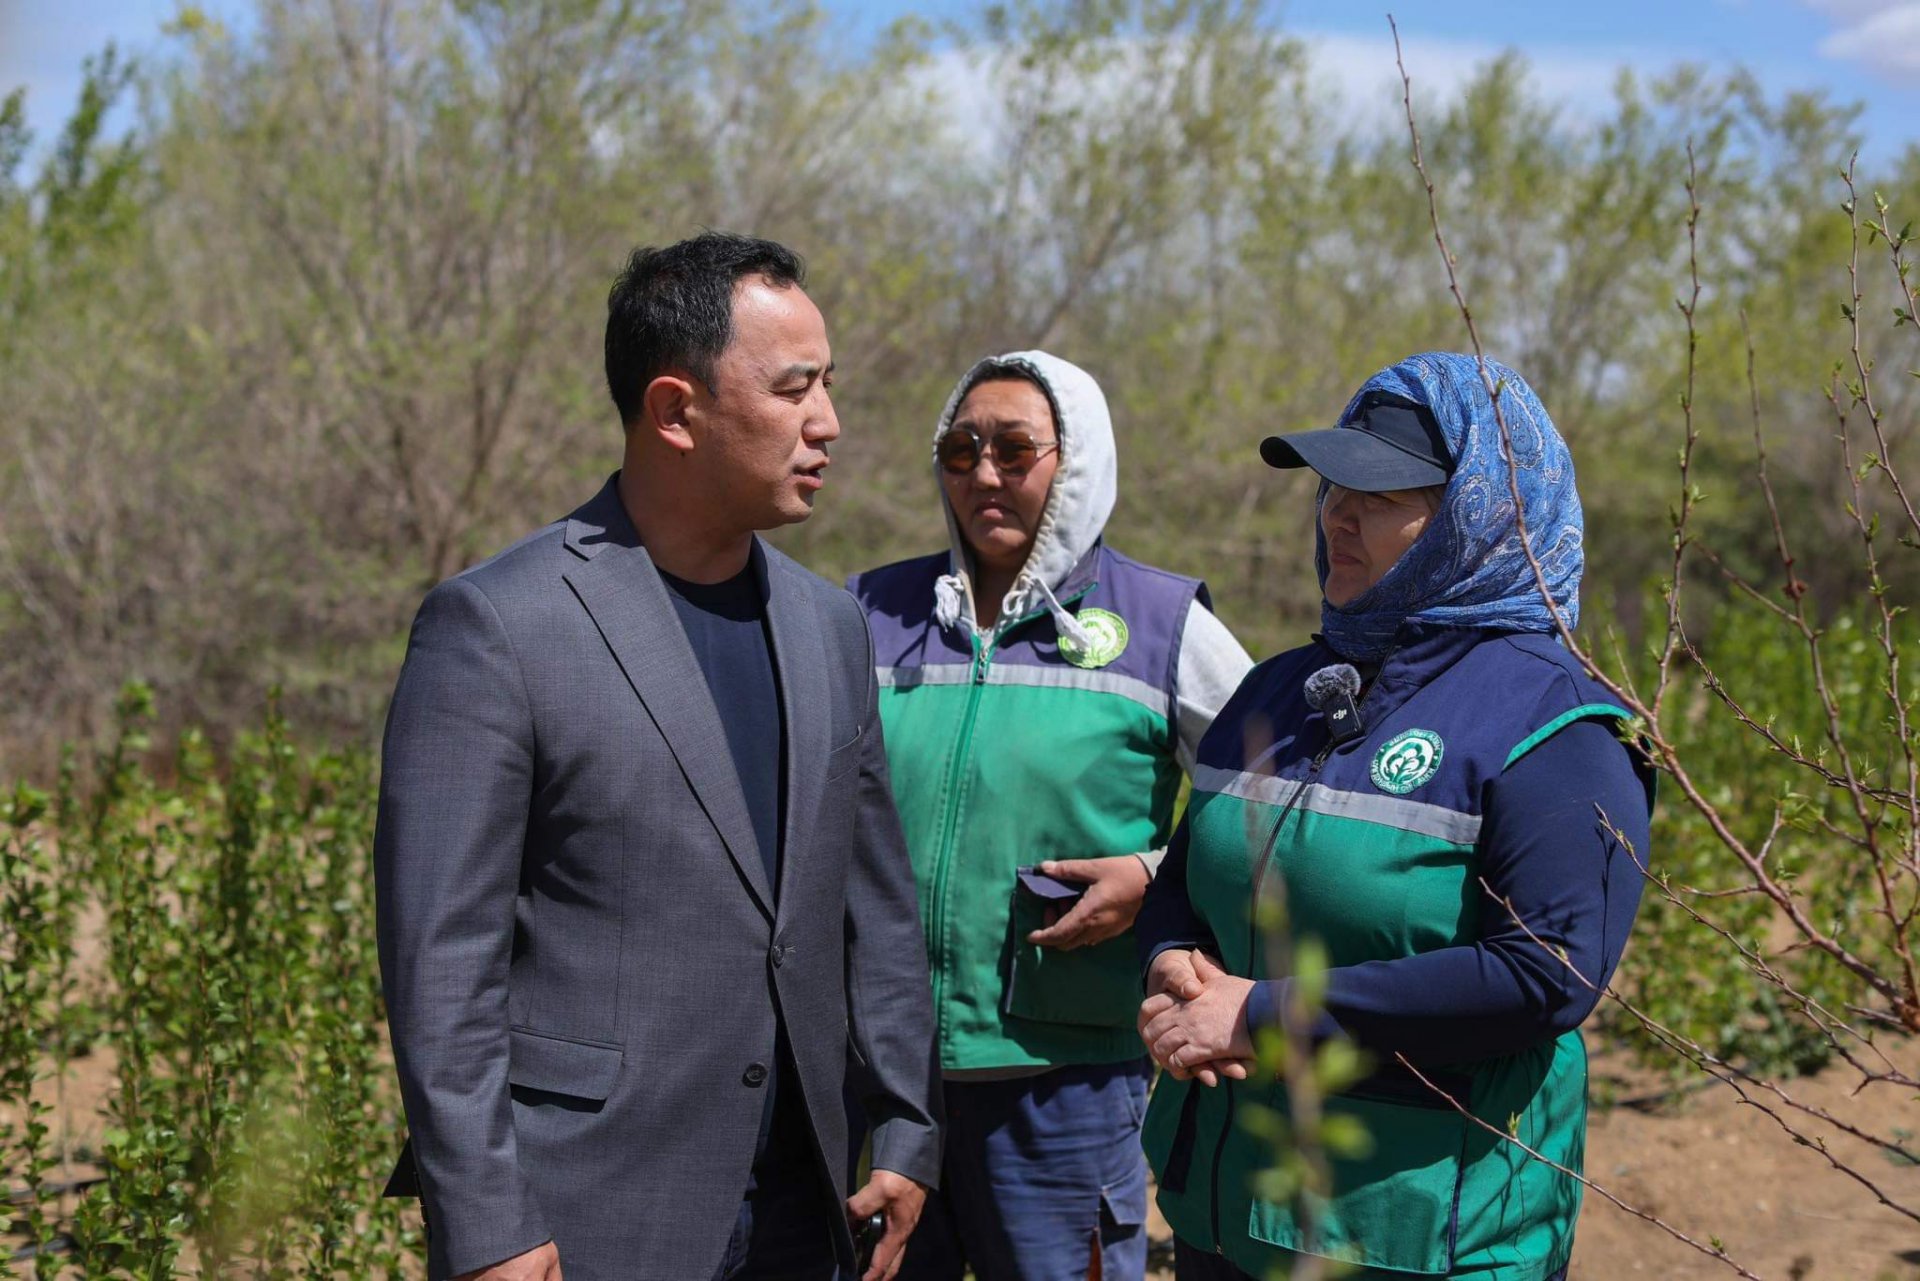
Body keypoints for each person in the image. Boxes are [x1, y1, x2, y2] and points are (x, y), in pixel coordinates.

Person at [373, 232, 942, 1281]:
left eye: (829, 386)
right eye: (795, 388)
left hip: (806, 1207)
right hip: (586, 1211)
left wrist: (907, 1128)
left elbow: (877, 909)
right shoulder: (499, 626)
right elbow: (439, 967)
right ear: (677, 410)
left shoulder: (828, 628)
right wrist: (489, 1222)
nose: (830, 422)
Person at [1135, 352, 1653, 1281]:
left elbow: (1548, 973)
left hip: (1416, 1235)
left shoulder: (1553, 720)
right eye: (1333, 486)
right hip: (1224, 1213)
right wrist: (1167, 956)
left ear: (1473, 515)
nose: (1337, 512)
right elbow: (1185, 877)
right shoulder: (1277, 690)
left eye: (1380, 494)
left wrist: (1262, 1012)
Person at [848, 351, 1252, 1279]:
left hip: (1065, 1082)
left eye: (1015, 448)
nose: (984, 472)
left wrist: (1154, 877)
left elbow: (1275, 809)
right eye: (961, 447)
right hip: (879, 1077)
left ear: (1074, 466)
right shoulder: (867, 613)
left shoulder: (1164, 626)